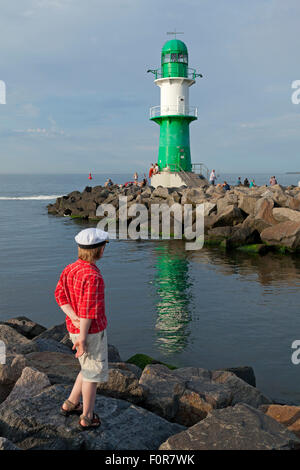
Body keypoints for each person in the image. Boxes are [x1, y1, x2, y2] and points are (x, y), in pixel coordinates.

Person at [55, 228, 109, 430]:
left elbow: (59, 295)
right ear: (100, 250)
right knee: (92, 374)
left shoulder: (70, 269)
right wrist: (83, 337)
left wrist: (72, 317)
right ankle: (87, 416)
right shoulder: (94, 277)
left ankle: (70, 403)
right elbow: (88, 311)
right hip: (91, 332)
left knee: (86, 367)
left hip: (74, 328)